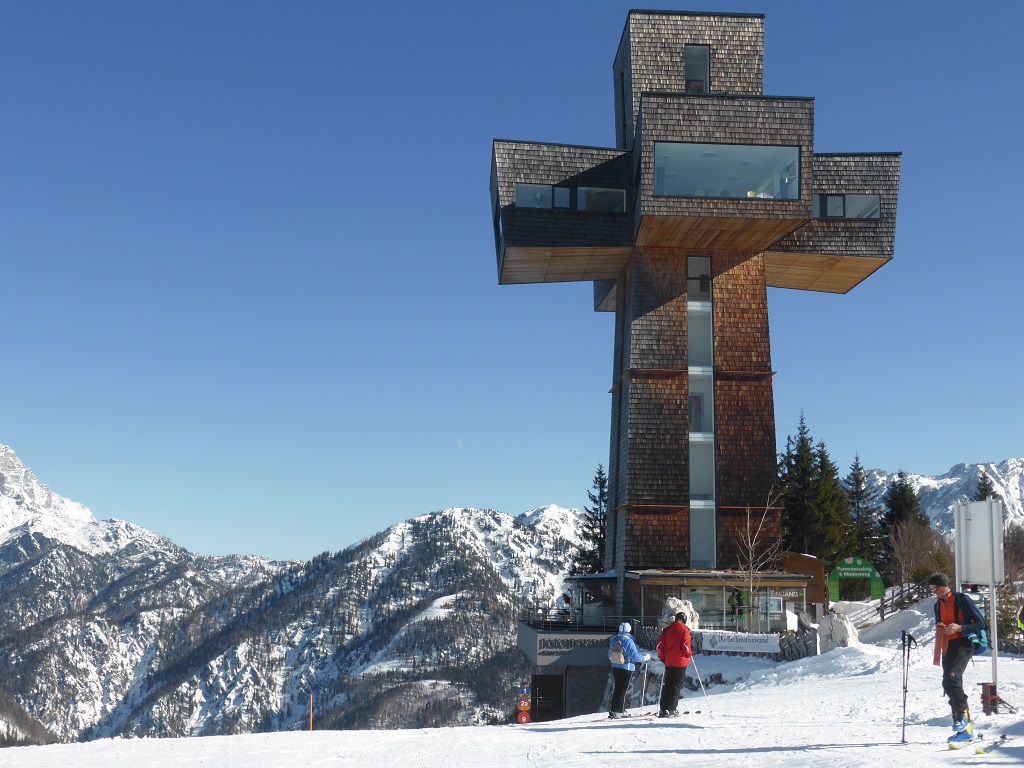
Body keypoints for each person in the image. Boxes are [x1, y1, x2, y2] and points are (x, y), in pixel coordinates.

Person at [930, 572, 986, 744]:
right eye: (931, 589)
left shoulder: (961, 599)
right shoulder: (937, 605)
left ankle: (961, 718)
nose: (933, 592)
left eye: (935, 588)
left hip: (964, 643)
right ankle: (966, 730)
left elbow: (980, 623)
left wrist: (959, 628)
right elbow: (940, 624)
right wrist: (942, 629)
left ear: (944, 585)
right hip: (948, 646)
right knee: (950, 684)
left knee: (951, 679)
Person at [607, 622, 650, 718]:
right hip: (626, 668)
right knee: (622, 690)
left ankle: (614, 710)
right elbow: (635, 656)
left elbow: (608, 654)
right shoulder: (629, 641)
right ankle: (619, 711)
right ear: (629, 630)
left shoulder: (613, 640)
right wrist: (645, 658)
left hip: (615, 667)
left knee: (617, 689)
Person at [656, 612, 693, 718]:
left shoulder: (666, 630)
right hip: (680, 662)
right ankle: (671, 709)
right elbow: (685, 647)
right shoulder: (684, 630)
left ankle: (663, 709)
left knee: (667, 684)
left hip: (669, 661)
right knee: (676, 685)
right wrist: (689, 653)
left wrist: (662, 658)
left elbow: (659, 646)